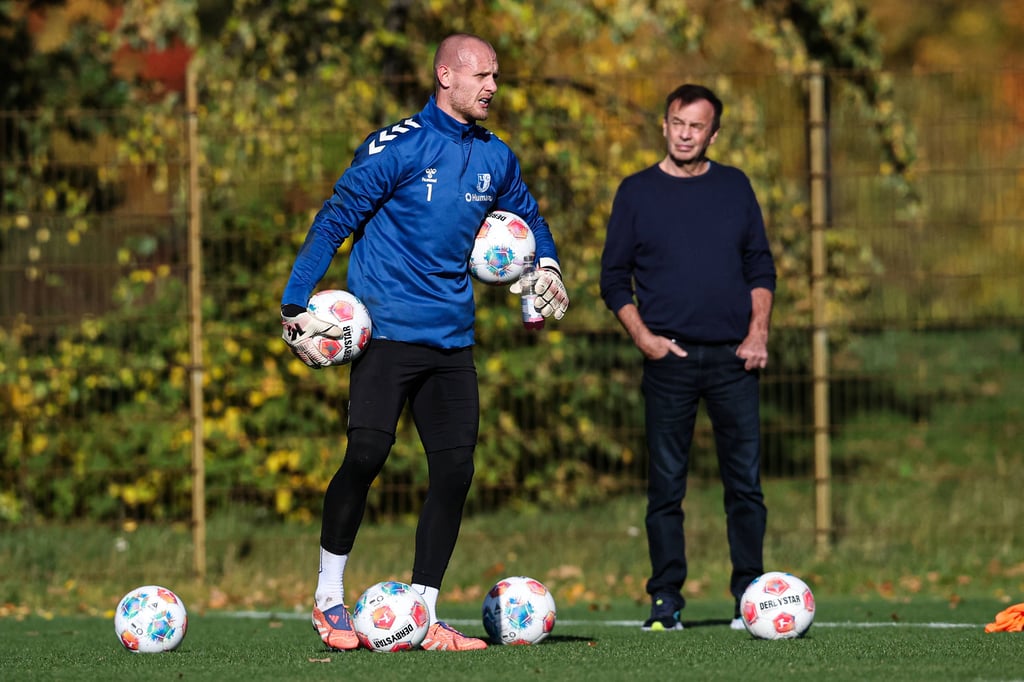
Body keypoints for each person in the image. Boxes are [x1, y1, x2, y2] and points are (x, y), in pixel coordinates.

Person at [279, 33, 569, 651]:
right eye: (482, 76)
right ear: (446, 76)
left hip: (451, 343)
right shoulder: (398, 146)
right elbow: (334, 217)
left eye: (497, 76)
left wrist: (548, 265)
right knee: (366, 457)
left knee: (455, 471)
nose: (492, 87)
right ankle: (329, 598)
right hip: (384, 337)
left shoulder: (497, 156)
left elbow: (532, 219)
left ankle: (425, 612)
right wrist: (294, 300)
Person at [599, 83, 776, 632]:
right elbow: (612, 278)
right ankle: (666, 600)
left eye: (696, 126)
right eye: (677, 122)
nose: (684, 133)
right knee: (666, 487)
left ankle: (750, 596)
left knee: (744, 485)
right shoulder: (636, 192)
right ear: (665, 124)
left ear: (713, 134)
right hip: (668, 360)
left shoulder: (734, 187)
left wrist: (758, 334)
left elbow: (760, 267)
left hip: (733, 360)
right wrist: (644, 338)